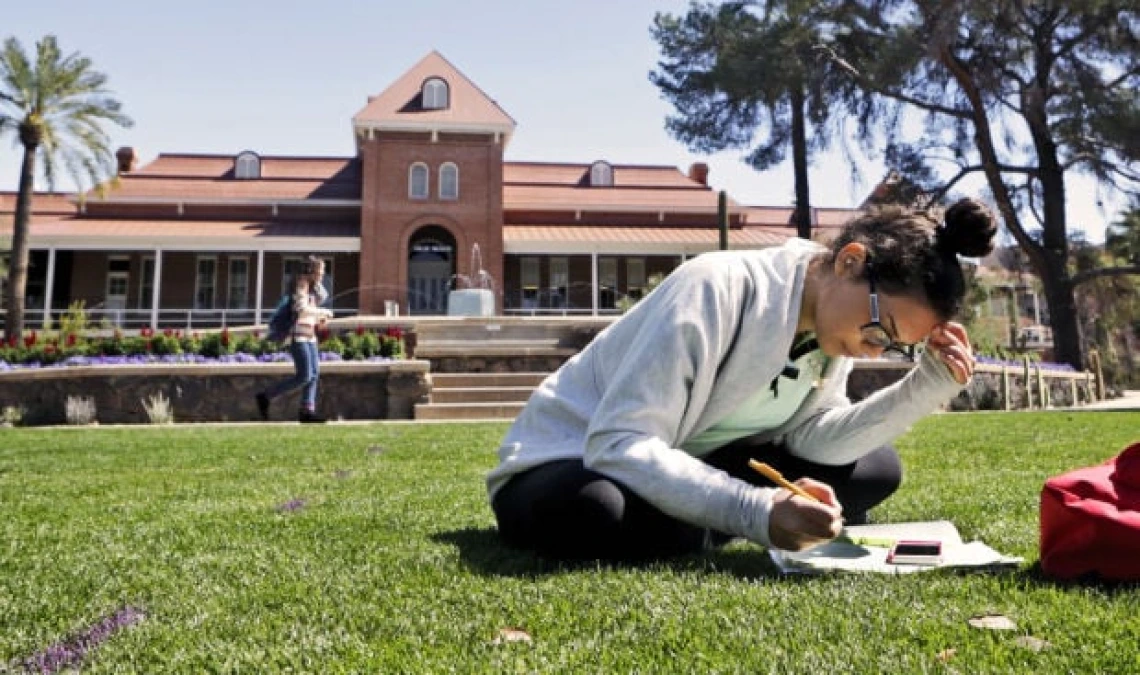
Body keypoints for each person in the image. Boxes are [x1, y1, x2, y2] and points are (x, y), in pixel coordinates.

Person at [487, 198, 997, 561]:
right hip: (570, 457)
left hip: (694, 456)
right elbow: (618, 442)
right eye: (880, 329)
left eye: (895, 345)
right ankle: (694, 523)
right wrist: (753, 510)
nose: (874, 350)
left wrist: (927, 385)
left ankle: (690, 521)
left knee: (876, 469)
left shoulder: (828, 327)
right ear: (849, 261)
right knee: (596, 510)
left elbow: (810, 436)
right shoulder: (715, 286)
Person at [256, 256, 334, 423]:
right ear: (311, 271)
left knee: (314, 375)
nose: (322, 275)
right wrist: (322, 313)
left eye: (323, 272)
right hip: (298, 337)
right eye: (319, 272)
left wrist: (320, 318)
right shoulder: (301, 286)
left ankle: (307, 411)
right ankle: (266, 396)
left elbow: (322, 298)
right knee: (304, 376)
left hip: (310, 337)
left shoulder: (313, 289)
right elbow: (301, 308)